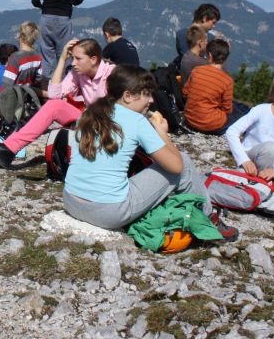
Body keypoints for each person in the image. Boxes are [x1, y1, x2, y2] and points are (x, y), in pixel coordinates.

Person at [62, 65, 236, 238]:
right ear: (128, 96)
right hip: (108, 212)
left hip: (71, 201)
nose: (151, 100)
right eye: (146, 94)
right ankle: (209, 217)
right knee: (185, 164)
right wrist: (161, 132)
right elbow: (177, 167)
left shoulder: (89, 112)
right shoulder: (137, 120)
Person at [0, 38, 114, 169]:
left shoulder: (112, 74)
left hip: (109, 127)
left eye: (78, 59)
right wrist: (62, 59)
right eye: (72, 58)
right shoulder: (78, 73)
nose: (73, 63)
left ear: (94, 59)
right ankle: (8, 149)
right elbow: (54, 94)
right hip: (89, 120)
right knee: (54, 105)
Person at [32, 0, 84, 77]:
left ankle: (47, 88)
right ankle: (66, 86)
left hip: (47, 19)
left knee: (46, 56)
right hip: (64, 19)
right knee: (64, 54)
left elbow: (35, 0)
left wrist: (43, 6)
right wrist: (70, 3)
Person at [183, 40, 249, 135]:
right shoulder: (227, 81)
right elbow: (227, 109)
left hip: (190, 120)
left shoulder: (196, 71)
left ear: (209, 55)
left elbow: (185, 93)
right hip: (211, 126)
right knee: (239, 114)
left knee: (236, 106)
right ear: (225, 58)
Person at [0, 22, 44, 93]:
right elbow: (38, 82)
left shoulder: (15, 58)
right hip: (29, 99)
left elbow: (5, 87)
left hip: (15, 100)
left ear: (21, 36)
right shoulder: (38, 57)